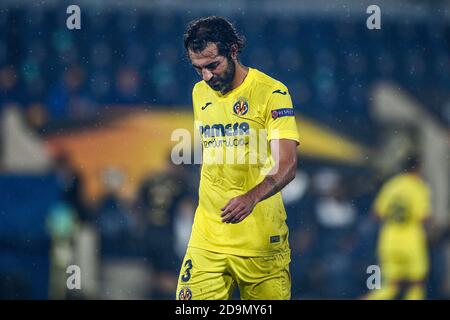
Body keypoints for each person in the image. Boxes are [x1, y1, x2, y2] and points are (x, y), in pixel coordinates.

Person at [176, 16, 300, 300]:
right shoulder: (200, 94)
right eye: (198, 69)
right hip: (208, 240)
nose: (206, 76)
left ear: (232, 50)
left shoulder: (272, 92)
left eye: (212, 65)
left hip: (260, 246)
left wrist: (251, 197)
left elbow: (288, 165)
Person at [364, 155, 431, 300]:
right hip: (411, 241)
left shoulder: (391, 185)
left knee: (390, 285)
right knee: (417, 284)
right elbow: (423, 217)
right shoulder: (418, 186)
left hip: (389, 240)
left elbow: (376, 214)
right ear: (417, 168)